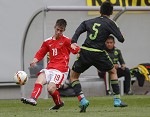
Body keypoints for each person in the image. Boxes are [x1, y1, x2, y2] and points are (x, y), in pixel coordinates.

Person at [70, 1, 128, 112]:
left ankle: (82, 100)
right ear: (111, 12)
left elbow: (81, 27)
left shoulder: (90, 21)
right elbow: (121, 39)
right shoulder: (111, 23)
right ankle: (117, 100)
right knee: (112, 71)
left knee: (73, 77)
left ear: (100, 11)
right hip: (99, 53)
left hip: (85, 51)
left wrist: (74, 41)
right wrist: (119, 32)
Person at [21, 19, 80, 110]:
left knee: (50, 88)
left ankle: (58, 103)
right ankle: (33, 99)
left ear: (64, 30)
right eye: (57, 29)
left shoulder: (67, 41)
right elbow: (41, 53)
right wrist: (34, 61)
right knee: (39, 80)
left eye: (61, 30)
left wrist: (75, 48)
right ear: (54, 27)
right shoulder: (47, 41)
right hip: (49, 68)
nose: (58, 32)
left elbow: (76, 50)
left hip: (61, 70)